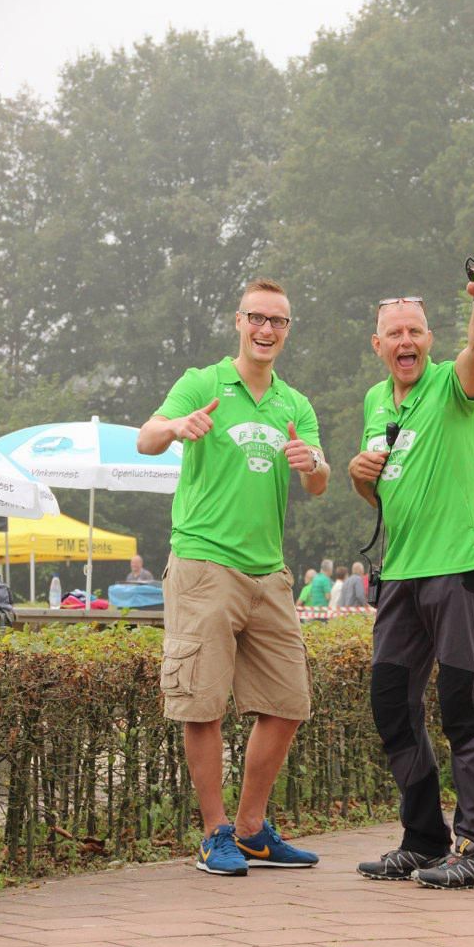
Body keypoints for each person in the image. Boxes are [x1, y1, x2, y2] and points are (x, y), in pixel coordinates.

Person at [137, 277, 330, 877]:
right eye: (257, 318)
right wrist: (177, 427)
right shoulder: (203, 382)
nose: (266, 330)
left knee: (289, 702)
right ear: (238, 322)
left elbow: (318, 481)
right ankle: (214, 833)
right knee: (203, 705)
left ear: (287, 330)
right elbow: (146, 438)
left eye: (278, 321)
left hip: (269, 573)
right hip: (204, 564)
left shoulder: (294, 404)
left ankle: (250, 831)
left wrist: (312, 463)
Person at [348, 243, 474, 890]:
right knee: (391, 702)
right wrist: (359, 476)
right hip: (400, 574)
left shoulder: (450, 384)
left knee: (461, 706)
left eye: (415, 331)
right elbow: (381, 490)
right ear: (378, 345)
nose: (406, 341)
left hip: (456, 566)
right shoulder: (374, 401)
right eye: (395, 334)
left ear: (429, 339)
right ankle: (423, 839)